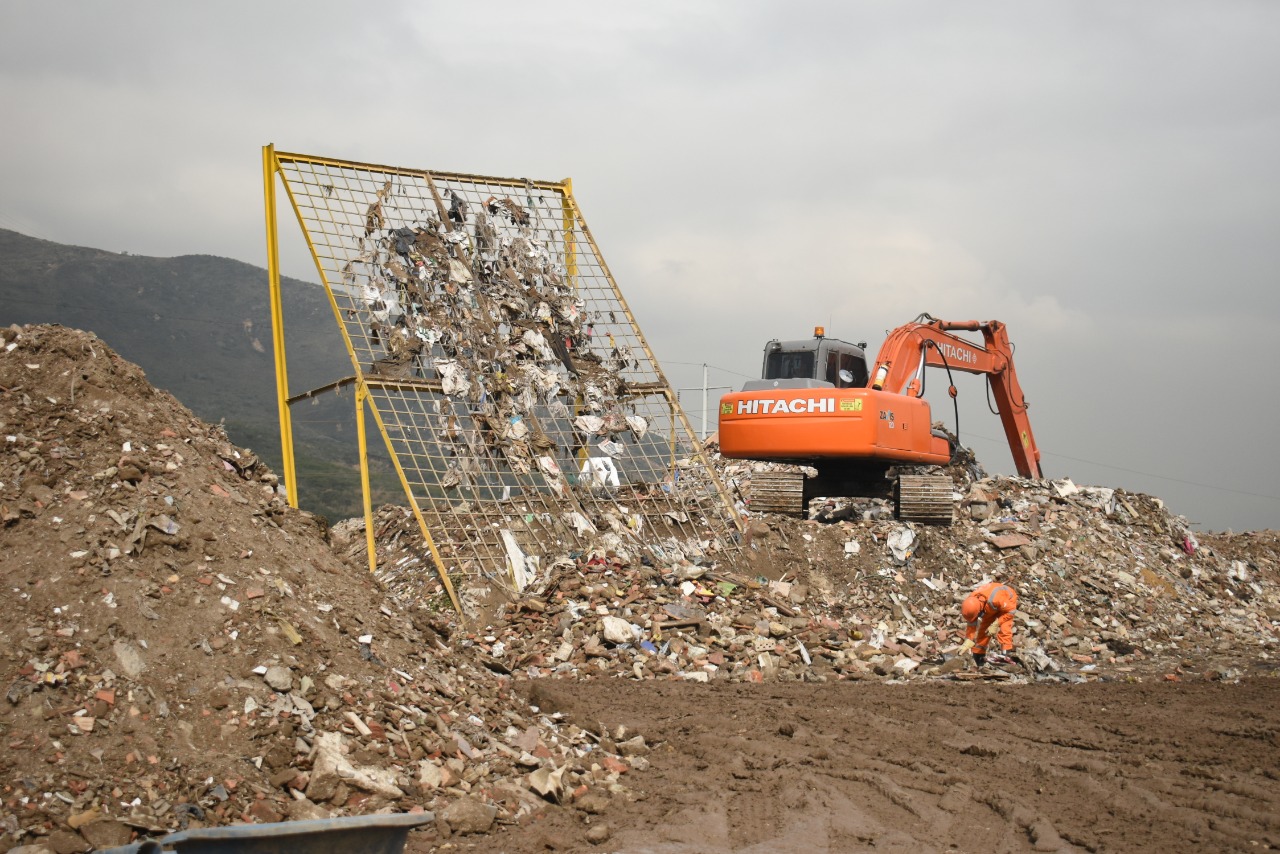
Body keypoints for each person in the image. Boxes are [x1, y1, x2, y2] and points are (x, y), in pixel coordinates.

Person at [961, 580, 1018, 667]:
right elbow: (972, 623)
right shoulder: (972, 602)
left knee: (1004, 628)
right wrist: (968, 640)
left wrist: (996, 623)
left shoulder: (995, 599)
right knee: (984, 629)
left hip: (1007, 600)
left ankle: (1006, 654)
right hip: (990, 607)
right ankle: (979, 655)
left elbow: (1011, 611)